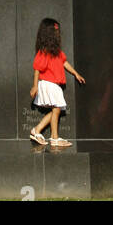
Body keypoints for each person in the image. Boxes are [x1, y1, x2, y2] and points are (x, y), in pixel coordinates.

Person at [29, 16, 85, 148]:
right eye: (56, 31)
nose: (58, 34)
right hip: (48, 84)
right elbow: (37, 69)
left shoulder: (57, 52)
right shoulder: (44, 52)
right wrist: (35, 86)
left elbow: (65, 62)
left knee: (56, 110)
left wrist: (76, 74)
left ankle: (37, 130)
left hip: (55, 85)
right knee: (57, 109)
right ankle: (54, 137)